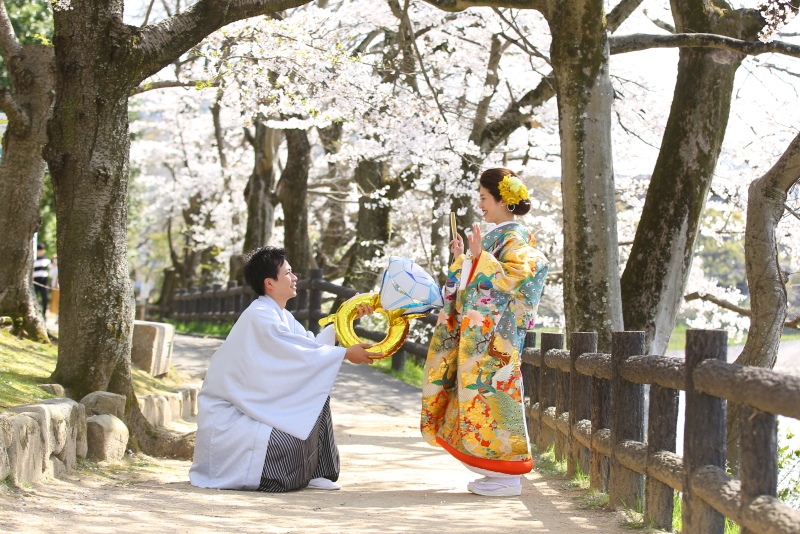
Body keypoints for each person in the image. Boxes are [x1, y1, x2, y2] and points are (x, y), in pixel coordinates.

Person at [190, 246, 381, 492]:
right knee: (290, 446)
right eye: (288, 273)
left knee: (315, 393)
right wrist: (344, 353)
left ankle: (317, 471)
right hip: (233, 418)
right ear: (269, 283)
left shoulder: (279, 314)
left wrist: (347, 316)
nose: (295, 278)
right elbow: (299, 356)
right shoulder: (260, 316)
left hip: (253, 408)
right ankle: (296, 472)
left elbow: (309, 347)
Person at [421, 168, 549, 497]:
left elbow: (520, 273)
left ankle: (508, 476)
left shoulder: (516, 240)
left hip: (499, 340)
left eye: (483, 198)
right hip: (485, 336)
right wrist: (463, 259)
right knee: (476, 399)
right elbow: (476, 281)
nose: (480, 204)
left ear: (503, 201)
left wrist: (479, 260)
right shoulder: (499, 237)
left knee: (497, 400)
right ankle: (495, 473)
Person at [32, 243, 51, 316]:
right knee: (35, 297)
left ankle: (44, 314)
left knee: (45, 298)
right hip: (35, 281)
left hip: (43, 281)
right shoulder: (34, 260)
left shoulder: (46, 260)